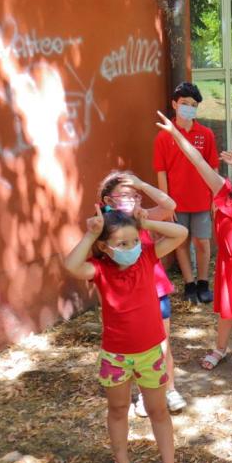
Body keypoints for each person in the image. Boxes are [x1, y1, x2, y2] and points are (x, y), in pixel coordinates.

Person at [63, 205, 190, 463]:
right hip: (115, 356)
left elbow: (181, 233)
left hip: (150, 354)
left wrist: (145, 222)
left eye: (134, 241)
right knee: (118, 410)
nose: (131, 248)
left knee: (158, 410)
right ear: (105, 248)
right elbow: (71, 265)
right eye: (122, 244)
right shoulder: (100, 270)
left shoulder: (147, 256)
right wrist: (90, 234)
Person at [155, 111, 232, 377]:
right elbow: (198, 160)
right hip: (227, 265)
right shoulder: (222, 191)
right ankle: (220, 348)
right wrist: (176, 134)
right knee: (227, 310)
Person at [97, 171, 188, 415]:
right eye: (125, 195)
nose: (132, 199)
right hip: (127, 298)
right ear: (108, 200)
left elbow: (170, 206)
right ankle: (143, 395)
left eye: (134, 195)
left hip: (156, 289)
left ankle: (169, 388)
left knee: (162, 343)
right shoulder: (105, 226)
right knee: (135, 348)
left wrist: (142, 184)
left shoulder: (142, 217)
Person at [153, 82, 218, 304]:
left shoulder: (206, 134)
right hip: (176, 202)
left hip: (202, 200)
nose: (188, 108)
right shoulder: (163, 137)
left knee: (203, 242)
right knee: (180, 243)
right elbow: (161, 172)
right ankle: (189, 284)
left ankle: (203, 282)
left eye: (193, 105)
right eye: (184, 104)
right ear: (174, 104)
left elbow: (213, 168)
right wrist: (165, 204)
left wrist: (214, 197)